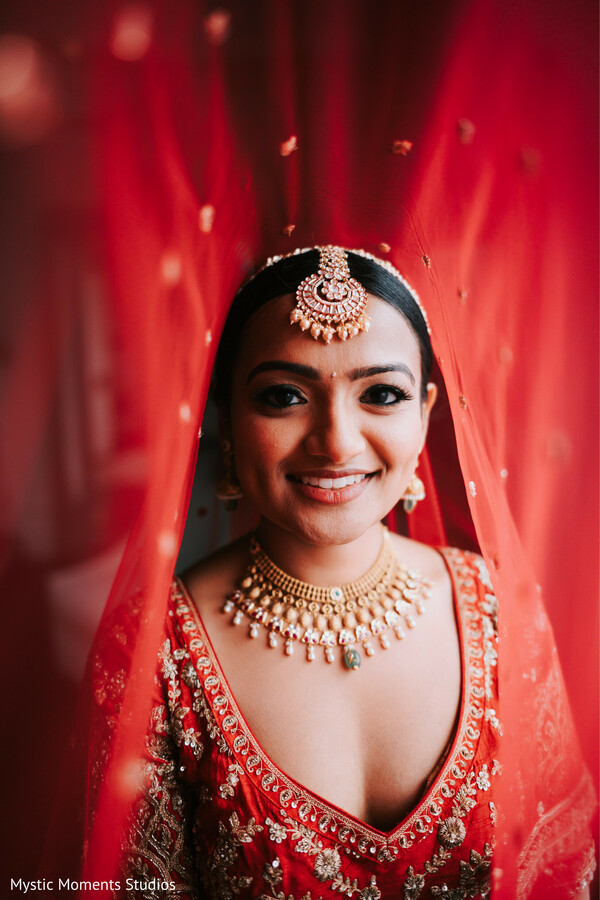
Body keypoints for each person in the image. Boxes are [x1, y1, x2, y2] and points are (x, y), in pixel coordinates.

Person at [98, 247, 594, 898]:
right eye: (284, 396)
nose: (336, 442)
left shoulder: (500, 609)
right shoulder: (149, 654)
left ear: (425, 413)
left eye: (381, 395)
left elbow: (562, 872)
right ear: (227, 417)